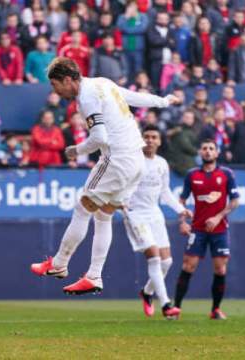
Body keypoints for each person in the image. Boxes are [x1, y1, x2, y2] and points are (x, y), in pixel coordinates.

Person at [31, 57, 181, 295]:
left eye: (54, 84)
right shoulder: (102, 83)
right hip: (136, 160)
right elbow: (133, 97)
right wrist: (163, 101)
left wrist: (75, 150)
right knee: (103, 215)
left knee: (82, 208)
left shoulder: (87, 97)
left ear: (68, 80)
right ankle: (94, 275)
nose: (54, 90)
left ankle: (59, 264)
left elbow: (100, 138)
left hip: (117, 159)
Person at [124, 125, 192, 319]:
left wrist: (181, 209)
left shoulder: (162, 163)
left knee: (167, 262)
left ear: (160, 141)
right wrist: (121, 203)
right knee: (154, 257)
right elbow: (121, 184)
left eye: (154, 137)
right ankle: (166, 305)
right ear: (141, 139)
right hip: (136, 214)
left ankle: (147, 292)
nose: (150, 140)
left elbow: (165, 193)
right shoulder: (133, 161)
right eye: (147, 137)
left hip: (155, 214)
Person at [174, 139, 240, 320]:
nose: (208, 151)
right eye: (204, 148)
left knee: (220, 269)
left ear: (217, 153)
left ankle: (215, 310)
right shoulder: (192, 175)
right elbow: (181, 201)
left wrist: (218, 217)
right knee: (188, 266)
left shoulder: (227, 174)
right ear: (200, 153)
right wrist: (182, 221)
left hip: (220, 229)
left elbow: (234, 201)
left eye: (211, 148)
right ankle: (175, 309)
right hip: (197, 229)